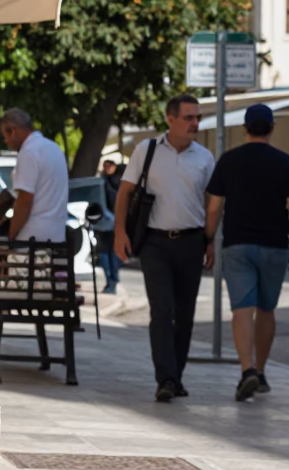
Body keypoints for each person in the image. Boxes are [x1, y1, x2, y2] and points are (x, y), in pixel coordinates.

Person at [204, 104, 289, 402]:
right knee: (266, 309)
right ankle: (262, 372)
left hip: (237, 245)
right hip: (275, 246)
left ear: (245, 128)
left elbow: (214, 207)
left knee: (242, 308)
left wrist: (208, 240)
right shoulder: (285, 162)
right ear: (272, 128)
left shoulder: (228, 161)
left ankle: (247, 370)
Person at [114, 95, 215, 402]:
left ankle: (176, 376)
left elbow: (213, 202)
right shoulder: (147, 151)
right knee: (162, 311)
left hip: (192, 242)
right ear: (170, 119)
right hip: (154, 243)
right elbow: (125, 192)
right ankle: (165, 379)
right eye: (188, 118)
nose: (195, 123)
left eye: (197, 117)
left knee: (185, 315)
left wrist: (211, 240)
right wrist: (119, 232)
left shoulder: (205, 158)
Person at [0, 108, 69, 245]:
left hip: (31, 239)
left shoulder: (29, 152)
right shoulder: (55, 148)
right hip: (57, 236)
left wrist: (11, 236)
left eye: (5, 136)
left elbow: (25, 200)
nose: (6, 141)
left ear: (12, 131)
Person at [95, 159, 123, 293]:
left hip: (108, 223)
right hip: (108, 223)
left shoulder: (104, 182)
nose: (107, 168)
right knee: (107, 254)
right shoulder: (113, 182)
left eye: (109, 166)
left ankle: (112, 281)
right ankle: (111, 281)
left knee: (109, 253)